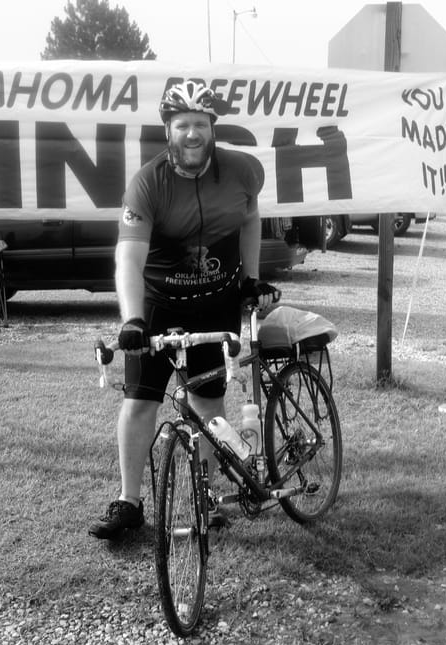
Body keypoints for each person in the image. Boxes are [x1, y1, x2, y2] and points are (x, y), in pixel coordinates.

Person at [89, 79, 277, 540]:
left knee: (209, 405)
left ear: (212, 128)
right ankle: (129, 502)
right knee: (139, 402)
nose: (192, 134)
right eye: (182, 125)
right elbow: (128, 257)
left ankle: (205, 498)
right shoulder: (148, 182)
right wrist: (132, 319)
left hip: (214, 302)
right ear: (168, 130)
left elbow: (250, 218)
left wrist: (249, 277)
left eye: (200, 124)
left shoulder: (241, 172)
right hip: (157, 303)